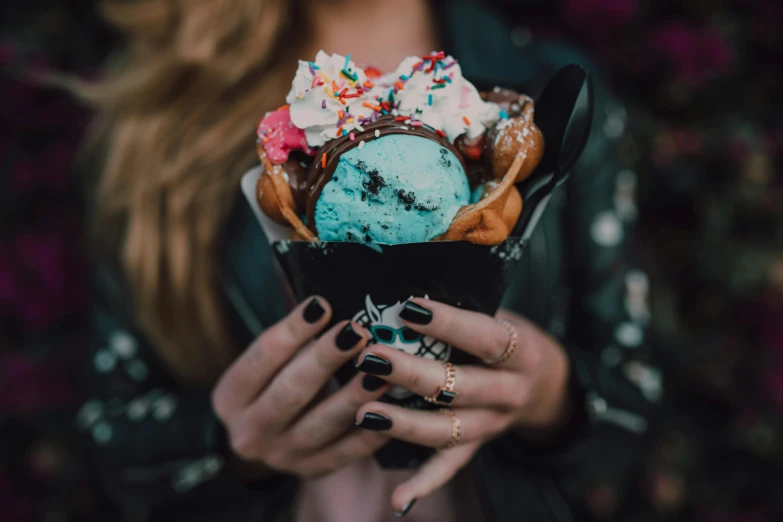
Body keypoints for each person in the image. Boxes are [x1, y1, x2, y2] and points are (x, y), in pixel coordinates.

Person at [73, 0, 661, 520]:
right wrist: (225, 444)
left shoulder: (546, 97)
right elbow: (110, 445)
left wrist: (551, 394)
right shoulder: (159, 118)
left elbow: (637, 413)